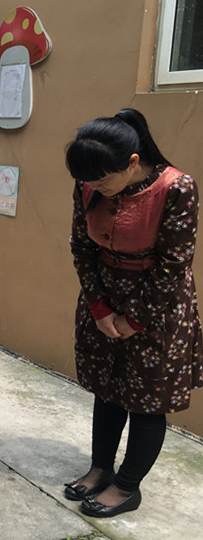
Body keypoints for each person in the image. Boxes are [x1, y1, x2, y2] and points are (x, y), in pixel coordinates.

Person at [64, 108, 203, 517]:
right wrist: (100, 307)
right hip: (104, 297)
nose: (94, 188)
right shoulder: (89, 182)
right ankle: (100, 468)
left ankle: (126, 487)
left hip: (158, 305)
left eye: (102, 180)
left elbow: (174, 264)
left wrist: (134, 319)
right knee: (107, 390)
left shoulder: (177, 188)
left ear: (132, 163)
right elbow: (81, 246)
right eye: (88, 181)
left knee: (146, 401)